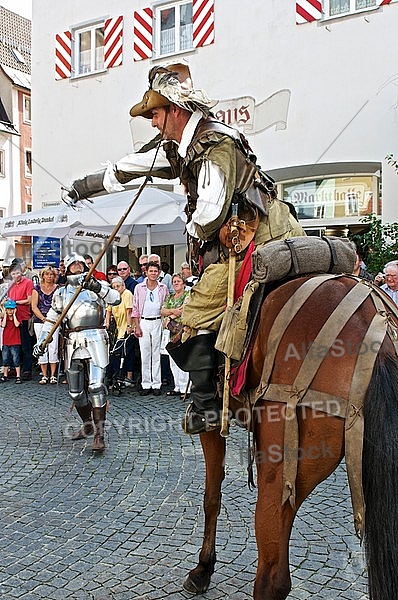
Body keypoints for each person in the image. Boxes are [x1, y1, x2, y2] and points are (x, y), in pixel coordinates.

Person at [62, 63, 305, 434]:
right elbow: (132, 166)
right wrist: (84, 185)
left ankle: (207, 406)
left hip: (258, 239)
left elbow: (209, 213)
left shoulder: (213, 143)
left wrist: (192, 232)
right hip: (250, 234)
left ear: (175, 109)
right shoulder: (182, 146)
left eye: (156, 115)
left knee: (189, 319)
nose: (153, 124)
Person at [33, 253, 120, 452]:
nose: (78, 267)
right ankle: (87, 424)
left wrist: (97, 288)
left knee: (96, 386)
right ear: (68, 268)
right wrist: (41, 341)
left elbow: (115, 299)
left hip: (96, 339)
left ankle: (99, 434)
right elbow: (52, 319)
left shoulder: (97, 286)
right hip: (72, 341)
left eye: (81, 264)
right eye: (74, 265)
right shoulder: (61, 293)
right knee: (75, 392)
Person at [131, 261, 168, 396]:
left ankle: (156, 383)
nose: (153, 273)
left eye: (155, 271)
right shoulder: (139, 287)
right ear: (146, 272)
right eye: (150, 271)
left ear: (158, 273)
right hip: (144, 322)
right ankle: (146, 383)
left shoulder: (163, 287)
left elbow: (166, 305)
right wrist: (137, 326)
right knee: (145, 354)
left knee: (156, 353)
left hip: (158, 321)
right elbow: (135, 308)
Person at [161, 273, 191, 398]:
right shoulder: (170, 297)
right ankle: (177, 386)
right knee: (172, 360)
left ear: (183, 283)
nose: (176, 283)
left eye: (178, 281)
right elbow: (162, 310)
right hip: (170, 332)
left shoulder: (187, 295)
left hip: (182, 330)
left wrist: (170, 316)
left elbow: (184, 308)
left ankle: (186, 388)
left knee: (182, 359)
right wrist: (174, 312)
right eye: (174, 282)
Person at [31, 266, 59, 384]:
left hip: (54, 321)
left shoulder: (58, 289)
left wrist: (51, 319)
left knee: (53, 346)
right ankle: (44, 374)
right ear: (43, 276)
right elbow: (34, 306)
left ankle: (53, 374)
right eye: (47, 274)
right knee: (41, 345)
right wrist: (43, 318)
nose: (49, 277)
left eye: (51, 274)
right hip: (40, 320)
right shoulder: (36, 289)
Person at [105, 276, 135, 386]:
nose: (116, 288)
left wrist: (129, 325)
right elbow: (108, 311)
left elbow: (129, 312)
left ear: (123, 286)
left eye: (118, 286)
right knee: (116, 353)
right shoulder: (113, 296)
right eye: (114, 287)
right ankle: (116, 376)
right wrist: (107, 323)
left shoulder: (127, 294)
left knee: (127, 352)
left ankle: (129, 376)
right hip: (118, 328)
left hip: (128, 327)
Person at [7, 262, 34, 380]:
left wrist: (15, 303)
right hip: (12, 319)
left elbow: (29, 300)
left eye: (17, 272)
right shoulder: (10, 285)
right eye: (13, 273)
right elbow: (8, 299)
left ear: (21, 272)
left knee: (25, 345)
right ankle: (14, 368)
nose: (16, 275)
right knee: (13, 344)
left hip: (23, 317)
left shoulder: (28, 282)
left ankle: (27, 370)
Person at [0, 299, 22, 384]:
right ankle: (5, 375)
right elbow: (3, 325)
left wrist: (15, 315)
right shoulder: (4, 318)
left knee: (16, 359)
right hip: (6, 341)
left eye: (12, 309)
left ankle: (18, 376)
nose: (10, 311)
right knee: (5, 359)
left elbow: (17, 324)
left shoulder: (17, 317)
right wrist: (5, 315)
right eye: (8, 309)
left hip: (15, 341)